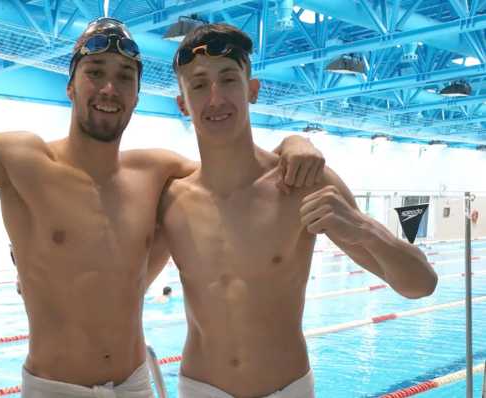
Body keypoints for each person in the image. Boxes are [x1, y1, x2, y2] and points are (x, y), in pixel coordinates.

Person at [0, 18, 324, 397]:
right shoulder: (21, 161)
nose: (109, 87)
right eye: (95, 71)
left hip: (135, 384)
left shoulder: (157, 173)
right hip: (54, 389)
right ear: (71, 86)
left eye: (124, 77)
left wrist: (292, 142)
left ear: (137, 97)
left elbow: (238, 171)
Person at [153, 23, 439, 398]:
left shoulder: (301, 183)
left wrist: (362, 227)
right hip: (200, 388)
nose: (216, 98)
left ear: (252, 89)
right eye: (199, 84)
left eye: (229, 79)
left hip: (287, 389)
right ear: (182, 103)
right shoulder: (171, 199)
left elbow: (421, 285)